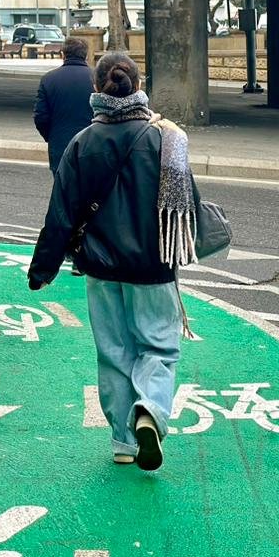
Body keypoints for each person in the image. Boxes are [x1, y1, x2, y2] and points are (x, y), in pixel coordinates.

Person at [28, 52, 199, 472]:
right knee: (158, 346)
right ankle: (150, 410)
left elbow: (61, 214)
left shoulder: (82, 143)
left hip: (100, 270)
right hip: (154, 268)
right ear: (139, 85)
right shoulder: (168, 139)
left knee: (113, 351)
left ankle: (123, 441)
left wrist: (43, 269)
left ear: (97, 91)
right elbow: (188, 206)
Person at [33, 36, 95, 174]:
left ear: (63, 54)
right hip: (93, 145)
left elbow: (40, 117)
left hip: (60, 146)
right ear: (86, 55)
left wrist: (51, 136)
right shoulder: (97, 78)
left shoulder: (48, 79)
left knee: (63, 191)